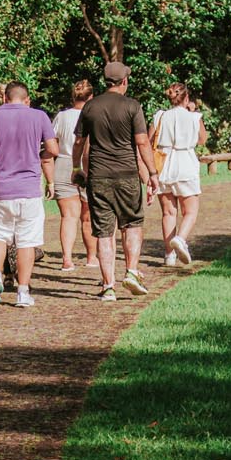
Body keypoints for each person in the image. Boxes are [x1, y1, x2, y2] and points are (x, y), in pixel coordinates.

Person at [75, 61, 158, 301]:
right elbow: (142, 142)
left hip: (98, 176)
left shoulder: (90, 106)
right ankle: (131, 271)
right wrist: (152, 174)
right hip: (127, 175)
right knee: (131, 224)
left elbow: (79, 142)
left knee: (103, 231)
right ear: (124, 81)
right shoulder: (132, 106)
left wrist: (75, 167)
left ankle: (108, 286)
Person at [0, 81, 59, 308]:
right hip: (28, 189)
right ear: (27, 99)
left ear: (5, 98)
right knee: (26, 241)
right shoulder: (39, 116)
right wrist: (37, 153)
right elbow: (53, 149)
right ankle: (22, 291)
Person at [153, 82, 206, 266]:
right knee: (190, 211)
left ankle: (169, 255)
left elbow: (151, 139)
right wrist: (193, 113)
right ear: (186, 98)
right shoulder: (194, 117)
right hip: (185, 163)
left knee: (168, 212)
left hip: (164, 163)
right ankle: (180, 239)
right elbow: (202, 139)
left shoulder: (160, 116)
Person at [51, 79, 96, 272]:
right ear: (91, 97)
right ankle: (91, 256)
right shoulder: (93, 116)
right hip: (87, 163)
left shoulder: (61, 117)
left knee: (68, 216)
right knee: (88, 216)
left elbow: (52, 142)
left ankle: (67, 259)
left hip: (63, 163)